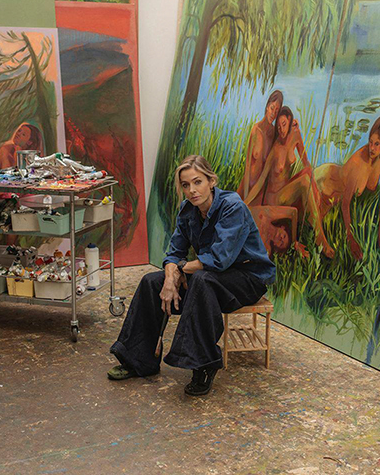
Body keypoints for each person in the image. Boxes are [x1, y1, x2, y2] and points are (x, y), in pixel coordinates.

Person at [108, 155, 275, 396]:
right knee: (151, 282)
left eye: (198, 182)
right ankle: (138, 360)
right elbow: (174, 252)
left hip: (247, 278)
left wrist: (181, 269)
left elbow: (219, 259)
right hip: (209, 277)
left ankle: (204, 364)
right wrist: (169, 278)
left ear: (211, 181)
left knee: (201, 280)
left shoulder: (232, 207)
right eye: (186, 185)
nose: (192, 190)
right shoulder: (188, 210)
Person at [244, 106, 334, 258]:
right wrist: (246, 202)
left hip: (287, 192)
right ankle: (321, 239)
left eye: (284, 124)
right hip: (275, 199)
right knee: (304, 181)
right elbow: (261, 181)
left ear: (291, 121)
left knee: (307, 176)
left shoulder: (296, 135)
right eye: (278, 127)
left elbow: (306, 163)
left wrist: (314, 190)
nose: (281, 130)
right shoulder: (275, 150)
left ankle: (316, 225)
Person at [313, 114, 380, 260]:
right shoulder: (359, 162)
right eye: (370, 142)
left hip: (335, 195)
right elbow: (345, 205)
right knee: (309, 228)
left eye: (377, 144)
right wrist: (351, 240)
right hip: (323, 184)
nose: (371, 148)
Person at [237, 90, 283, 198]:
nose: (273, 113)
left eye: (277, 111)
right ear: (267, 106)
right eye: (272, 108)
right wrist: (246, 194)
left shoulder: (274, 134)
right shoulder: (256, 130)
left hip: (260, 192)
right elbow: (248, 165)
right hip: (246, 188)